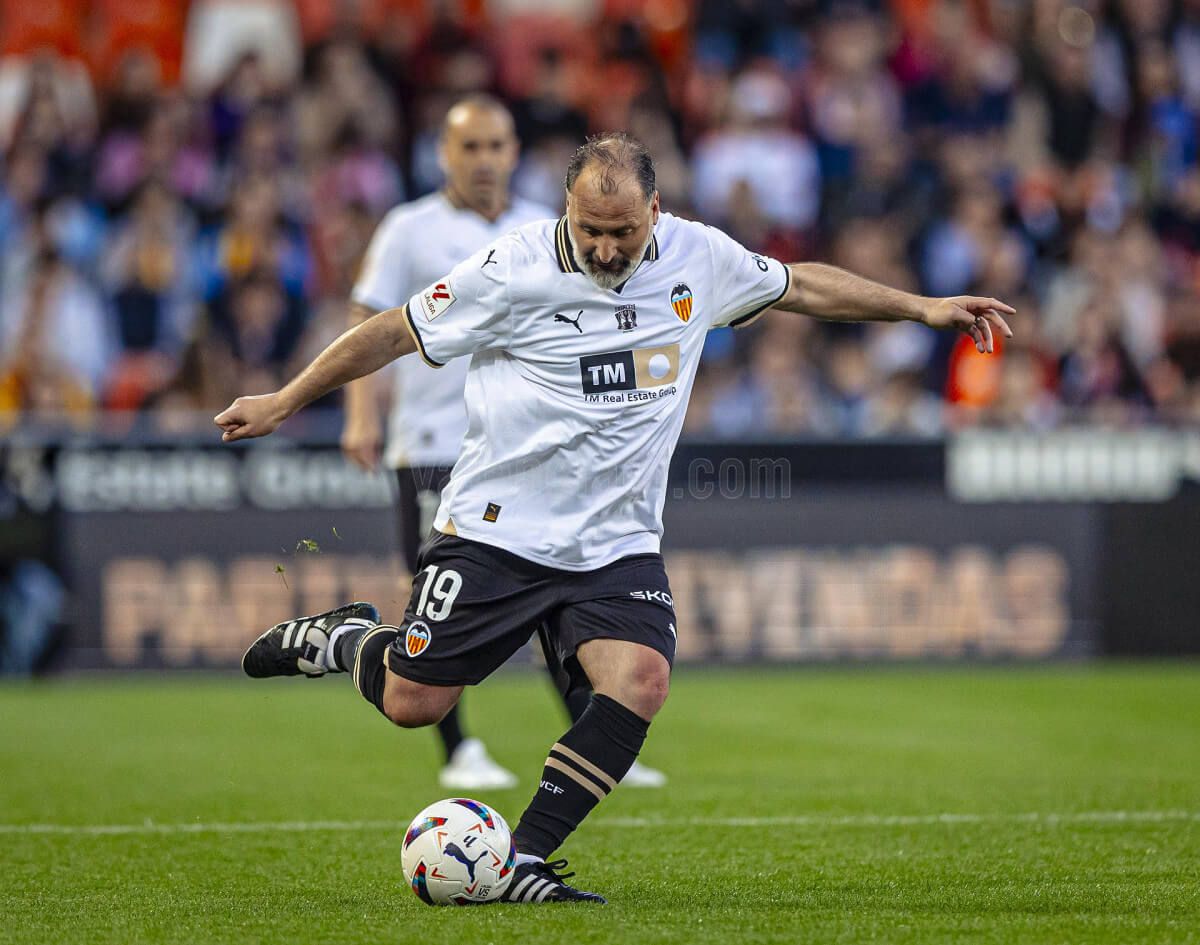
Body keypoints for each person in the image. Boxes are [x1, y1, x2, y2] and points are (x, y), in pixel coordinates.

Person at [216, 133, 1012, 903]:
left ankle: (520, 856)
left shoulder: (698, 256)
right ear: (566, 210)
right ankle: (343, 638)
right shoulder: (511, 268)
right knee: (411, 701)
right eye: (588, 230)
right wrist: (286, 399)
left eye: (622, 232)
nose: (602, 249)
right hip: (497, 529)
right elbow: (394, 329)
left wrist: (922, 307)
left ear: (656, 211)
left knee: (641, 680)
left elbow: (798, 284)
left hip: (616, 542)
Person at [340, 94, 667, 790]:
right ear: (444, 154)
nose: (484, 160)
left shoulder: (551, 229)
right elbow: (372, 319)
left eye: (495, 146)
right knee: (435, 597)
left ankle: (588, 727)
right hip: (431, 435)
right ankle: (458, 746)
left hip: (521, 448)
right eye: (470, 147)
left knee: (558, 588)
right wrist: (359, 414)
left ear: (516, 153)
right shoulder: (408, 228)